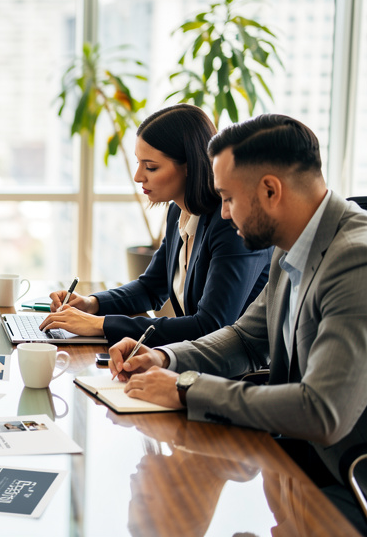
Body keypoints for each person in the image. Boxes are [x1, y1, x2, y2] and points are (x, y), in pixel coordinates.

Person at [108, 114, 367, 532]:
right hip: (290, 469)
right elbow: (245, 338)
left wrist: (187, 388)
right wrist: (164, 358)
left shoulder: (355, 261)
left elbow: (322, 412)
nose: (223, 214)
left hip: (342, 488)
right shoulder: (293, 244)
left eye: (227, 198)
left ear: (270, 190)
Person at [40, 104, 272, 347]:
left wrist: (99, 324)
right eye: (138, 163)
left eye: (151, 166)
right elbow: (150, 288)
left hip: (233, 375)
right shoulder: (177, 212)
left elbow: (210, 326)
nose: (138, 176)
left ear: (189, 166)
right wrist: (92, 304)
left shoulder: (230, 224)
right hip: (192, 361)